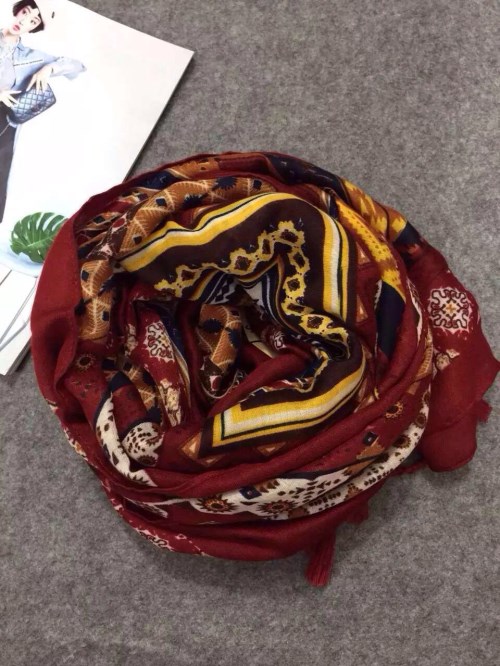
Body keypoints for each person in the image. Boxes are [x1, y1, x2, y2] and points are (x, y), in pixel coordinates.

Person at [0, 0, 86, 223]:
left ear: (34, 27)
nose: (25, 20)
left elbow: (77, 66)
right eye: (25, 12)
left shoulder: (31, 56)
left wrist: (49, 68)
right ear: (18, 10)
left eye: (33, 20)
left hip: (4, 123)